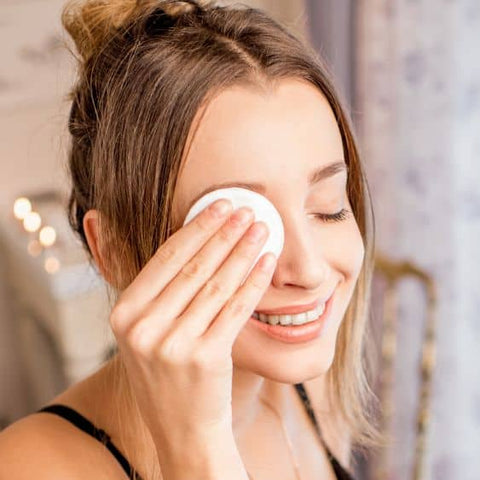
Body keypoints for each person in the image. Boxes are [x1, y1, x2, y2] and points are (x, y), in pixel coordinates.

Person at [0, 1, 382, 478]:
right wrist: (196, 446)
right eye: (240, 232)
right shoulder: (28, 468)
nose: (309, 271)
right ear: (112, 250)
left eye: (329, 209)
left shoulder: (304, 383)